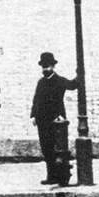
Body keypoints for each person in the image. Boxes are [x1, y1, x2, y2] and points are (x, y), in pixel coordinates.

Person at [30, 51, 79, 186]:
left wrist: (79, 73)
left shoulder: (59, 80)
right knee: (46, 148)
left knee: (57, 148)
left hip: (56, 120)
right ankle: (51, 176)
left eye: (47, 66)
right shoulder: (41, 82)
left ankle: (61, 176)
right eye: (43, 67)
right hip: (42, 120)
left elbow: (73, 85)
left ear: (53, 66)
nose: (45, 69)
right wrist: (33, 115)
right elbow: (36, 99)